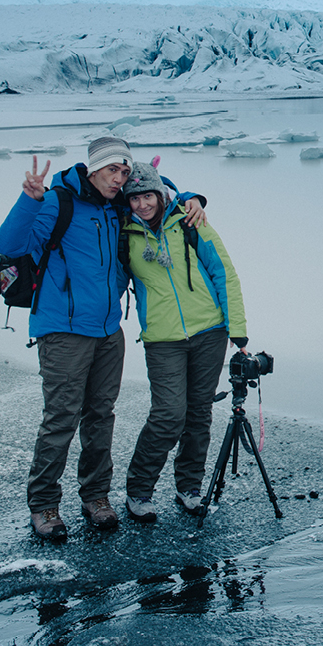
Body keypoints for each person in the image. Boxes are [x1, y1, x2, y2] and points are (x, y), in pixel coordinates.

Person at [0, 136, 203, 542]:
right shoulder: (58, 201)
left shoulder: (115, 205)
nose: (120, 178)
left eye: (125, 172)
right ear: (94, 168)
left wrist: (196, 197)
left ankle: (96, 496)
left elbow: (161, 191)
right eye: (113, 170)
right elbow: (10, 244)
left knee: (101, 416)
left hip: (109, 330)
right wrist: (30, 200)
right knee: (61, 419)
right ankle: (44, 504)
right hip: (64, 330)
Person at [119, 160, 249, 523]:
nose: (142, 204)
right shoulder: (123, 233)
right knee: (167, 416)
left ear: (161, 193)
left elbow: (225, 274)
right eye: (134, 198)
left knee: (198, 413)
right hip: (162, 339)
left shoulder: (191, 222)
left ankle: (189, 486)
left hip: (209, 332)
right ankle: (139, 490)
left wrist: (237, 329)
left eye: (148, 195)